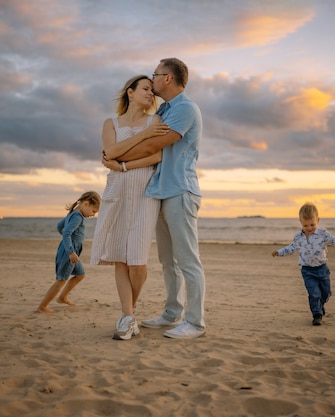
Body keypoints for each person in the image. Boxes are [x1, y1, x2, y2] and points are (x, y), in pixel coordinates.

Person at [106, 58, 206, 339]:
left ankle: (195, 323)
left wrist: (117, 157)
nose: (153, 79)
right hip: (161, 191)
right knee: (168, 260)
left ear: (168, 79)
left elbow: (153, 145)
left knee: (188, 260)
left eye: (156, 74)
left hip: (180, 190)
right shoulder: (166, 109)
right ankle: (172, 313)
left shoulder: (185, 108)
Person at [90, 75, 169, 341]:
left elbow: (155, 156)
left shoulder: (155, 121)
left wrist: (123, 163)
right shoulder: (110, 123)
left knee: (137, 259)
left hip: (145, 192)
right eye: (146, 89)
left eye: (153, 91)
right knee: (120, 257)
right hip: (116, 192)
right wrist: (139, 140)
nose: (151, 94)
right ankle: (127, 318)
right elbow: (110, 152)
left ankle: (128, 313)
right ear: (130, 92)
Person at [271, 202, 335, 326]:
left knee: (326, 293)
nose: (309, 228)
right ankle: (317, 315)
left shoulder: (323, 234)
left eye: (312, 224)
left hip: (322, 268)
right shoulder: (298, 237)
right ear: (300, 222)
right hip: (307, 271)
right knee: (314, 293)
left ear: (317, 220)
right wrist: (279, 252)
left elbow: (334, 240)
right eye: (305, 225)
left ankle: (319, 305)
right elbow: (291, 248)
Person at [37, 191, 101, 313]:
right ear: (86, 204)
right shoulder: (77, 217)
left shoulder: (73, 213)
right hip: (69, 253)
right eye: (93, 211)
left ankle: (62, 297)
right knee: (61, 279)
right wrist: (70, 251)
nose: (93, 215)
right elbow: (66, 233)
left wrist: (70, 245)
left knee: (80, 274)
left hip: (72, 252)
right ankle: (42, 307)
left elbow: (59, 226)